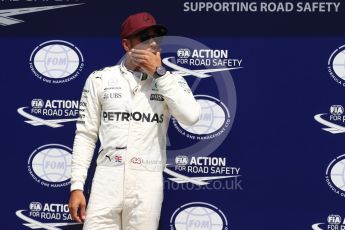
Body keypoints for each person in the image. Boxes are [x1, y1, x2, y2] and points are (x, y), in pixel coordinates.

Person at [68, 12, 200, 230]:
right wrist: (76, 186)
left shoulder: (171, 80)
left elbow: (191, 117)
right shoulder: (100, 78)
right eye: (144, 38)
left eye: (157, 37)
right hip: (106, 179)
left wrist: (160, 74)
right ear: (127, 45)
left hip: (146, 181)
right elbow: (86, 134)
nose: (154, 43)